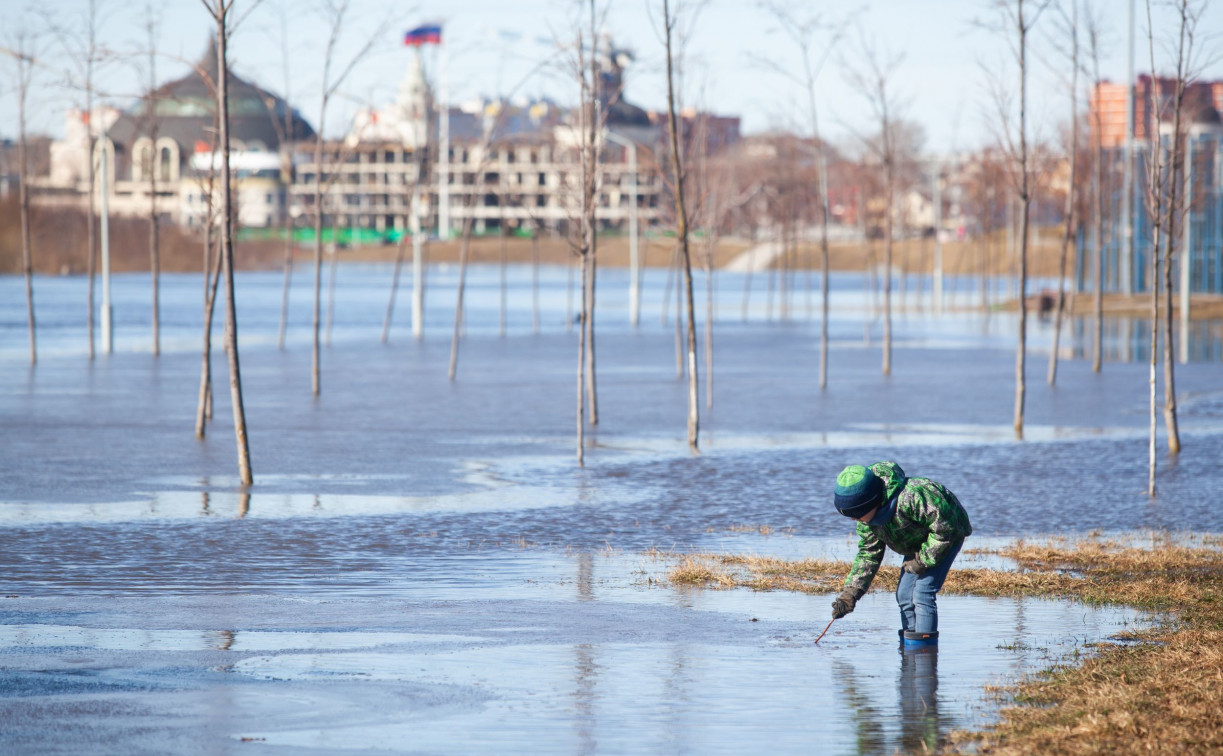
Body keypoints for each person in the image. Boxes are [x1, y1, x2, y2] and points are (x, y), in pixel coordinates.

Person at [829, 461, 972, 646]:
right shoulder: (866, 522)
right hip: (916, 542)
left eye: (856, 514)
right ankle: (909, 647)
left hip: (946, 536)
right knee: (904, 595)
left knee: (923, 592)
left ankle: (925, 652)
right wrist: (850, 594)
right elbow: (868, 555)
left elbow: (945, 529)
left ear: (872, 502)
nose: (853, 519)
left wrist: (922, 561)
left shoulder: (914, 496)